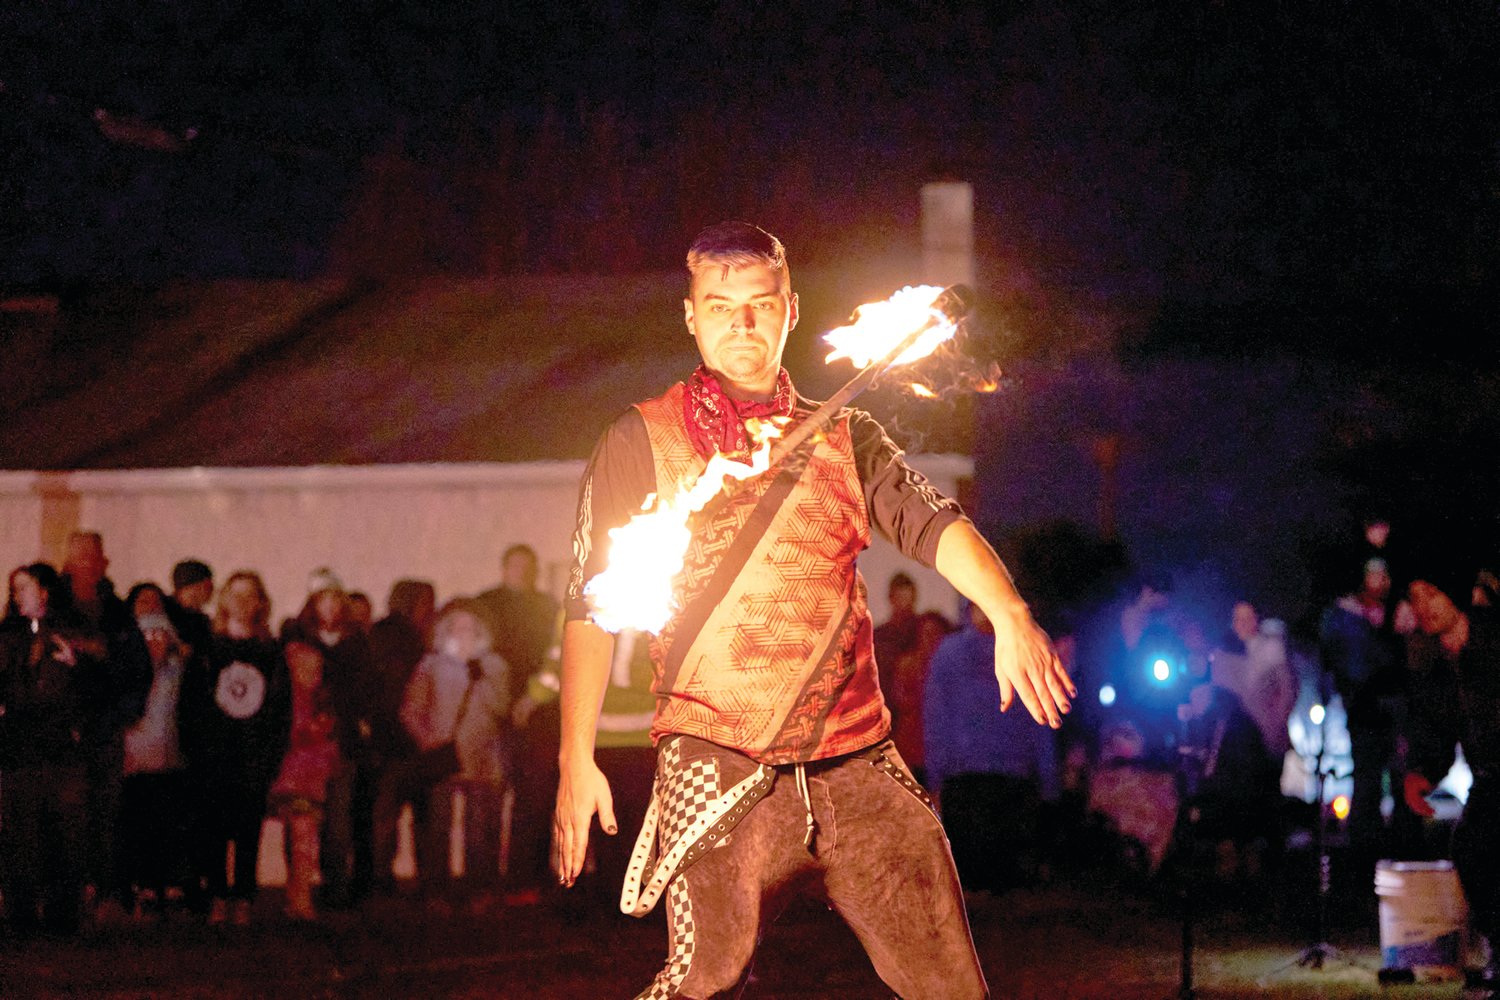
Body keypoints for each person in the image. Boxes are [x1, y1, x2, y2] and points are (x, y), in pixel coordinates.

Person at [554, 221, 1073, 999]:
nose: (743, 323)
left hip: (855, 761)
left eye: (760, 304)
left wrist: (1009, 612)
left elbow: (935, 523)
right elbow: (590, 606)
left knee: (955, 989)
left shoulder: (844, 434)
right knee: (706, 976)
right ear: (691, 316)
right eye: (722, 306)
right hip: (718, 755)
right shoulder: (639, 441)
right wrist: (574, 756)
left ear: (790, 311)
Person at [1401, 570, 1499, 997]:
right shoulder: (1437, 663)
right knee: (1472, 849)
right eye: (1415, 597)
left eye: (1433, 594)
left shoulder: (1490, 642)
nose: (1424, 606)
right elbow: (1439, 731)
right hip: (1490, 775)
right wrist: (1421, 771)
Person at [0, 563, 108, 937]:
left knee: (64, 833)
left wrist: (76, 666)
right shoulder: (9, 636)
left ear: (44, 591)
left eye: (24, 588)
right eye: (15, 590)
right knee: (20, 833)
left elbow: (98, 685)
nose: (18, 596)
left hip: (61, 746)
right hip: (18, 747)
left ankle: (63, 912)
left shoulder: (72, 630)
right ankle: (21, 913)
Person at [178, 570, 291, 925]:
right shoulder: (208, 650)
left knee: (247, 830)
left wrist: (271, 757)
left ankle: (242, 896)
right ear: (224, 599)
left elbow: (280, 709)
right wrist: (194, 750)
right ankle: (216, 894)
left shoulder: (270, 652)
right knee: (212, 828)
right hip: (212, 755)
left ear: (260, 603)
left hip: (253, 755)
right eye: (235, 594)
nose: (242, 603)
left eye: (250, 595)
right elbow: (190, 704)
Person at [924, 603, 1060, 893]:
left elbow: (1041, 714)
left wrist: (1048, 779)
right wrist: (936, 776)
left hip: (1010, 779)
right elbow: (937, 715)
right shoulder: (951, 654)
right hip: (967, 779)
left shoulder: (1022, 652)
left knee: (1002, 885)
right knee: (973, 884)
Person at [60, 530, 152, 924]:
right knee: (66, 813)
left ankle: (103, 890)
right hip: (61, 732)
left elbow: (138, 671)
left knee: (105, 812)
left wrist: (123, 715)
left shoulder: (117, 615)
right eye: (77, 558)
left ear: (103, 563)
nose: (84, 566)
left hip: (105, 728)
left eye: (90, 558)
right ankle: (66, 891)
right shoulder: (53, 612)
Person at [399, 600, 509, 913]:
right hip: (443, 758)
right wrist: (429, 742)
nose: (464, 633)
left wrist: (484, 679)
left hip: (483, 758)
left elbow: (502, 708)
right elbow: (411, 710)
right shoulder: (430, 665)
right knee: (437, 826)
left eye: (470, 627)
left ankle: (479, 889)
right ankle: (435, 890)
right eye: (457, 627)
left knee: (481, 827)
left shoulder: (494, 666)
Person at [281, 567, 380, 909]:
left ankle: (335, 888)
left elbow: (366, 690)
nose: (331, 606)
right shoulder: (298, 641)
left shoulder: (357, 643)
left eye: (336, 598)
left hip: (343, 740)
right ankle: (300, 887)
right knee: (302, 818)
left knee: (339, 820)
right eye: (324, 599)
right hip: (307, 744)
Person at [474, 544, 561, 902]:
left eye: (528, 567)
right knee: (489, 798)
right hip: (496, 712)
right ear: (505, 568)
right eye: (517, 566)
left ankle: (527, 877)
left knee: (535, 799)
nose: (522, 573)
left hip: (538, 716)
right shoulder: (488, 605)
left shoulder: (547, 608)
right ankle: (487, 877)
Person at [1319, 557, 1408, 866]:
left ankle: (1401, 843)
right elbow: (1341, 663)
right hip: (1364, 708)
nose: (1380, 582)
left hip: (1392, 706)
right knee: (1367, 777)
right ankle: (1365, 849)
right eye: (1374, 575)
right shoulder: (1344, 617)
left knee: (1399, 775)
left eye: (1385, 575)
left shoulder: (1397, 615)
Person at [119, 610, 192, 920]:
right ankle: (141, 886)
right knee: (137, 826)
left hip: (171, 762)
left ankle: (167, 885)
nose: (153, 641)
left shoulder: (179, 673)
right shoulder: (127, 674)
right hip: (134, 764)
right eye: (146, 635)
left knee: (168, 826)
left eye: (159, 634)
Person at [368, 578, 437, 894]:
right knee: (408, 815)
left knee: (391, 815)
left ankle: (383, 877)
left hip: (398, 740)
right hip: (403, 741)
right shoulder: (411, 640)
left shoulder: (384, 635)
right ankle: (394, 878)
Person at [269, 637, 341, 922]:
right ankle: (299, 896)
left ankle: (299, 894)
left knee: (302, 838)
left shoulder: (319, 700)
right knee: (301, 837)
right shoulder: (293, 700)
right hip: (294, 775)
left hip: (307, 776)